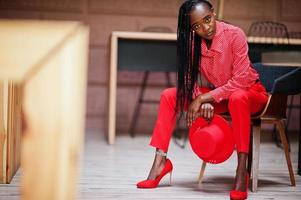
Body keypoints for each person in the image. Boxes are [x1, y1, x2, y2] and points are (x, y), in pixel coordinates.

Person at [136, 0, 268, 199]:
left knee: (238, 97)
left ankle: (241, 170)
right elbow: (189, 79)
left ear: (213, 14)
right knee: (169, 96)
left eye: (207, 19)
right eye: (197, 26)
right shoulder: (192, 42)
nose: (205, 28)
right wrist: (202, 99)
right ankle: (160, 162)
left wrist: (206, 97)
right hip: (221, 96)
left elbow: (241, 80)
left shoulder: (234, 34)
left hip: (250, 93)